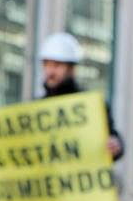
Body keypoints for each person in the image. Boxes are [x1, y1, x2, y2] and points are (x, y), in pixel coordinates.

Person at [39, 31, 123, 161]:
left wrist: (115, 145)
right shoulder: (36, 108)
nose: (50, 71)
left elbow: (111, 137)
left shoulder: (93, 106)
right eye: (47, 64)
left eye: (57, 65)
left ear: (71, 69)